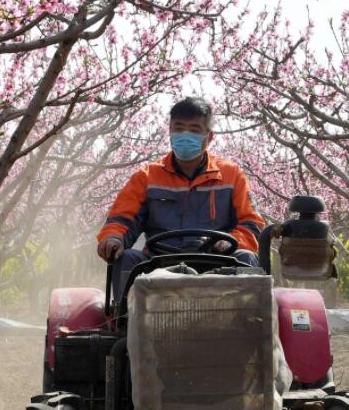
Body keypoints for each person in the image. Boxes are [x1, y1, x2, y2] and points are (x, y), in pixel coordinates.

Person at [96, 96, 266, 300]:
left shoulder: (232, 175)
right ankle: (125, 323)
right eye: (179, 128)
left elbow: (251, 223)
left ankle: (246, 321)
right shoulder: (147, 176)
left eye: (194, 130)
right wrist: (114, 238)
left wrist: (231, 243)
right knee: (128, 258)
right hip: (158, 262)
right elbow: (122, 219)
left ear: (209, 137)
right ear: (169, 131)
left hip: (217, 261)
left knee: (245, 257)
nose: (185, 136)